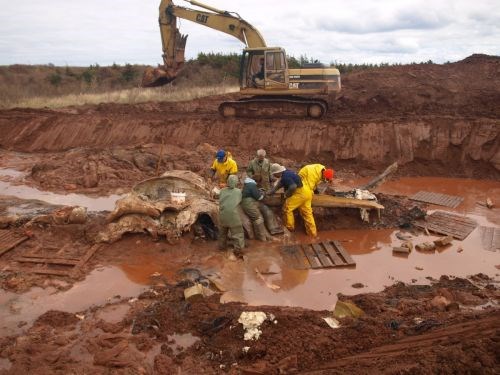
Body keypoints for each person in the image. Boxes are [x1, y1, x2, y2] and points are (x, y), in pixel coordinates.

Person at [268, 163, 317, 237]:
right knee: (307, 214)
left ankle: (289, 228)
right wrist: (271, 192)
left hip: (300, 194)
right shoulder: (286, 172)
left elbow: (293, 186)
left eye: (274, 174)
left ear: (278, 172)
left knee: (287, 208)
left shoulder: (285, 177)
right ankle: (312, 234)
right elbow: (280, 184)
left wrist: (286, 195)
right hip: (307, 192)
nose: (274, 176)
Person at [218, 175, 245, 255]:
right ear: (236, 182)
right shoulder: (238, 191)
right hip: (233, 216)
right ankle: (238, 250)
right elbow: (240, 201)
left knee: (222, 233)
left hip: (222, 215)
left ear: (227, 182)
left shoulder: (222, 191)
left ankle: (222, 247)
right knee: (238, 233)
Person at [241, 176, 270, 241]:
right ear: (258, 182)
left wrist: (258, 191)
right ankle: (262, 238)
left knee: (256, 218)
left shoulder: (248, 184)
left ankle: (258, 235)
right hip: (248, 204)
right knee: (258, 218)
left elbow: (252, 193)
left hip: (246, 203)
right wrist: (263, 194)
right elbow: (260, 198)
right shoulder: (252, 185)